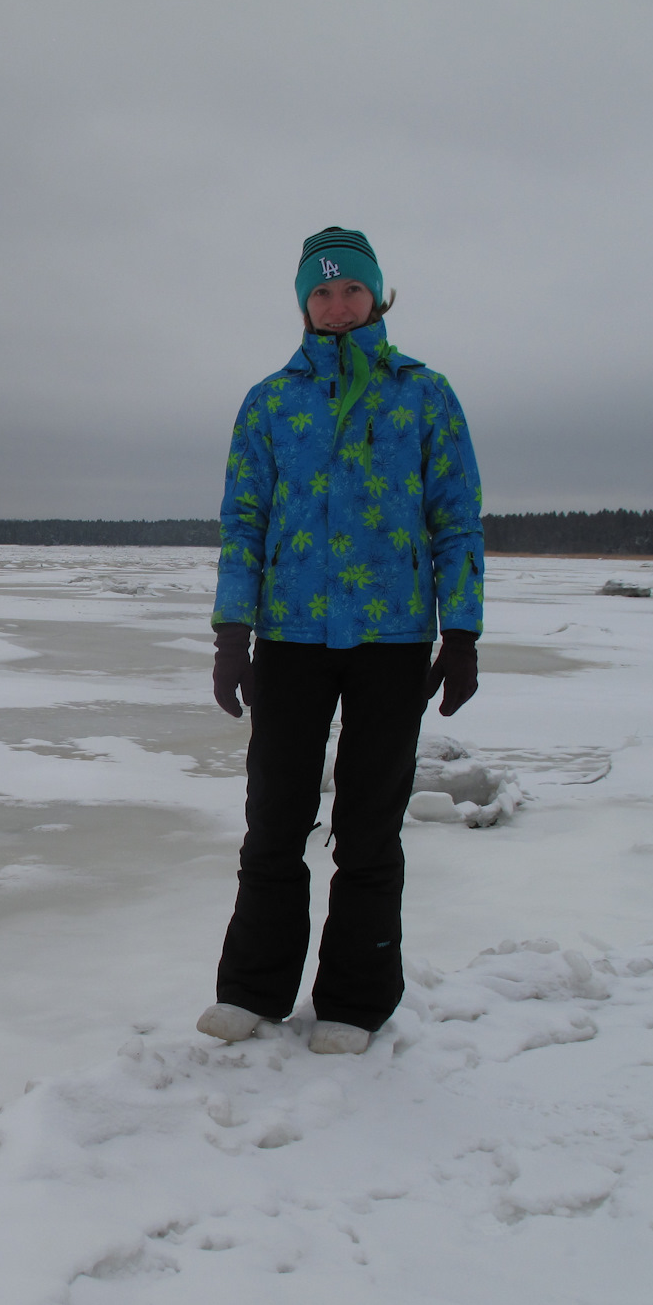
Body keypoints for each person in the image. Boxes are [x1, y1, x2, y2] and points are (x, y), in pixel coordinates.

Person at [197, 226, 483, 1054]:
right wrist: (231, 632)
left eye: (351, 290)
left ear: (376, 295)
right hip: (290, 635)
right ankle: (253, 989)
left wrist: (460, 631)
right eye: (320, 293)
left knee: (368, 827)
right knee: (274, 821)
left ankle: (357, 1001)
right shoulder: (271, 401)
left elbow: (456, 519)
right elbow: (243, 522)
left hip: (392, 638)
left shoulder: (423, 394)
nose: (336, 305)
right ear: (302, 303)